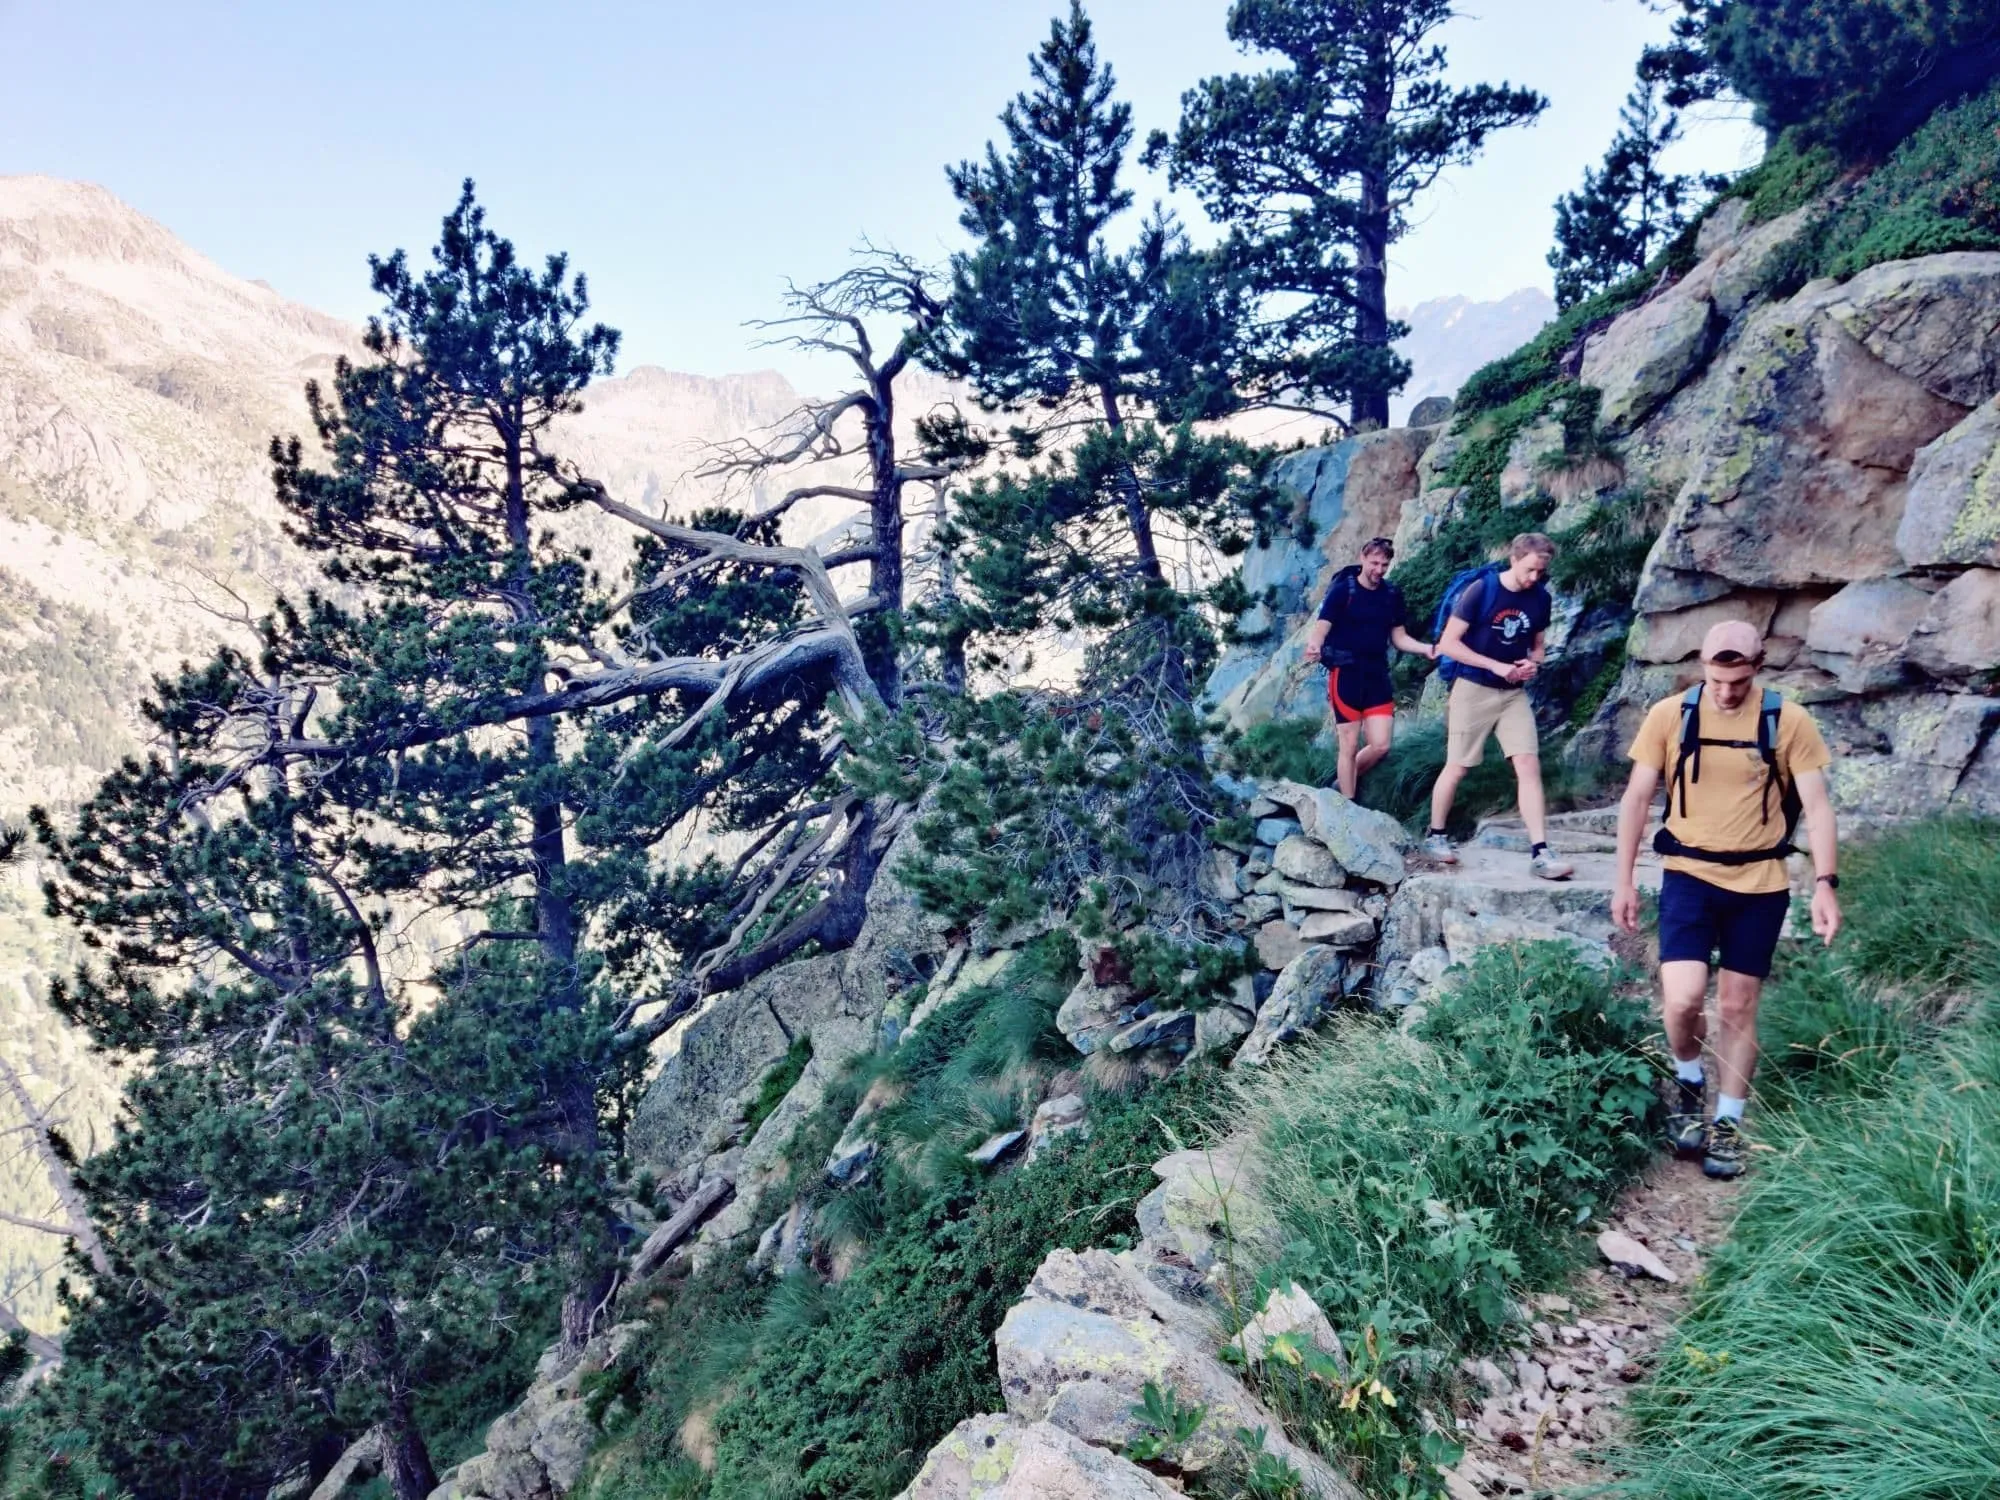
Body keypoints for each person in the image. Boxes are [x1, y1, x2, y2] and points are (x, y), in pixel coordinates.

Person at [1611, 620, 1841, 1180]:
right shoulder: (1671, 715)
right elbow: (1638, 797)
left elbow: (1818, 805)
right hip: (1689, 874)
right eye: (1717, 679)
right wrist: (1622, 880)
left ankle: (1729, 1123)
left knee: (1738, 1006)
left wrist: (1826, 883)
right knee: (1683, 999)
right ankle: (1689, 1079)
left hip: (1761, 883)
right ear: (1704, 667)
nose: (1727, 691)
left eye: (1737, 681)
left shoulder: (1788, 719)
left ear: (1757, 667)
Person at [1423, 533, 1574, 880]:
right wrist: (1494, 665)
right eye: (1531, 570)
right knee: (1458, 765)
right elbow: (1448, 643)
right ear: (1515, 559)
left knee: (1527, 764)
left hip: (1512, 694)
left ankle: (1541, 852)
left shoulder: (1540, 599)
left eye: (1541, 571)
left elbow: (1538, 647)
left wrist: (1533, 664)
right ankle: (1436, 835)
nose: (1535, 577)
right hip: (1473, 689)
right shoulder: (1482, 590)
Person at [1300, 537, 1437, 799]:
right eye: (1374, 563)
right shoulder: (1344, 591)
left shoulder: (1392, 594)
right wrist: (1314, 646)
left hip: (1377, 676)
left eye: (1384, 564)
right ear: (1362, 558)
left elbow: (1398, 638)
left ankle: (1341, 786)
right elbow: (1322, 625)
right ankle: (1348, 805)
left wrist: (1425, 648)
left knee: (1381, 745)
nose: (1379, 569)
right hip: (1346, 674)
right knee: (1348, 746)